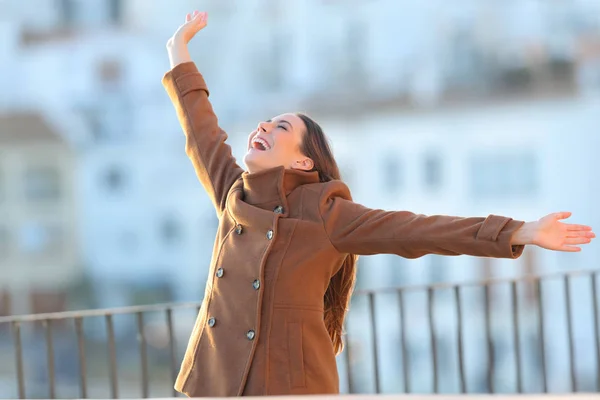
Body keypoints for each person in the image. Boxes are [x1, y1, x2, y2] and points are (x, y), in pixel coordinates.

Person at [163, 11, 595, 397]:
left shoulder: (325, 212)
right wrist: (178, 51)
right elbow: (203, 132)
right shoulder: (233, 193)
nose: (264, 126)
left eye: (280, 126)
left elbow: (417, 229)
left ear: (302, 159)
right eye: (267, 121)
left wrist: (522, 231)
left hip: (289, 386)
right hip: (216, 383)